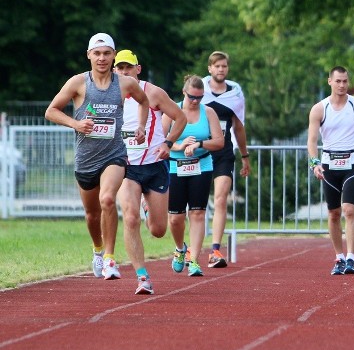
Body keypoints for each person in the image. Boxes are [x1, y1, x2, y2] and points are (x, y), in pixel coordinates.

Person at [44, 32, 149, 283]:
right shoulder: (78, 83)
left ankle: (111, 259)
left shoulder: (124, 84)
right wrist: (76, 124)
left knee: (108, 199)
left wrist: (142, 127)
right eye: (97, 53)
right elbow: (51, 111)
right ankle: (98, 249)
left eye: (107, 53)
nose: (102, 58)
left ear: (113, 55)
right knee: (92, 215)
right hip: (85, 159)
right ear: (89, 55)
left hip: (114, 155)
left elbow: (144, 102)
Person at [113, 49, 187, 294]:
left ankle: (149, 206)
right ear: (114, 70)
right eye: (120, 68)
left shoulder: (153, 93)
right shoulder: (110, 97)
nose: (124, 73)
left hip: (155, 166)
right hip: (127, 169)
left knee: (158, 230)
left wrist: (167, 144)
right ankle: (142, 276)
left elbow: (180, 117)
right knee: (130, 217)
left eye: (128, 68)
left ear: (138, 69)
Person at [307, 66, 354, 275]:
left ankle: (351, 257)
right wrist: (315, 163)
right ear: (330, 82)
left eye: (345, 81)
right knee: (333, 213)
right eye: (338, 81)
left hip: (352, 163)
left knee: (349, 210)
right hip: (328, 165)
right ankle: (339, 258)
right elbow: (312, 140)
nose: (342, 85)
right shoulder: (319, 109)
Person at [163, 75, 225, 277]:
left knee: (197, 213)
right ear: (184, 93)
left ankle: (194, 259)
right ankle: (180, 248)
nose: (195, 101)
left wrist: (199, 144)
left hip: (201, 165)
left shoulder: (208, 112)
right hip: (176, 167)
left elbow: (219, 142)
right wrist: (179, 146)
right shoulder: (172, 111)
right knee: (175, 219)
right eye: (192, 97)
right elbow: (161, 142)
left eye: (199, 97)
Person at [201, 51, 251, 268]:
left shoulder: (236, 94)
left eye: (224, 66)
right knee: (195, 204)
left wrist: (245, 156)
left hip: (223, 152)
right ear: (210, 69)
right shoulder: (198, 90)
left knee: (221, 199)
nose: (221, 70)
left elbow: (239, 127)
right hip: (200, 151)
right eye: (217, 66)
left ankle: (215, 250)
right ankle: (185, 248)